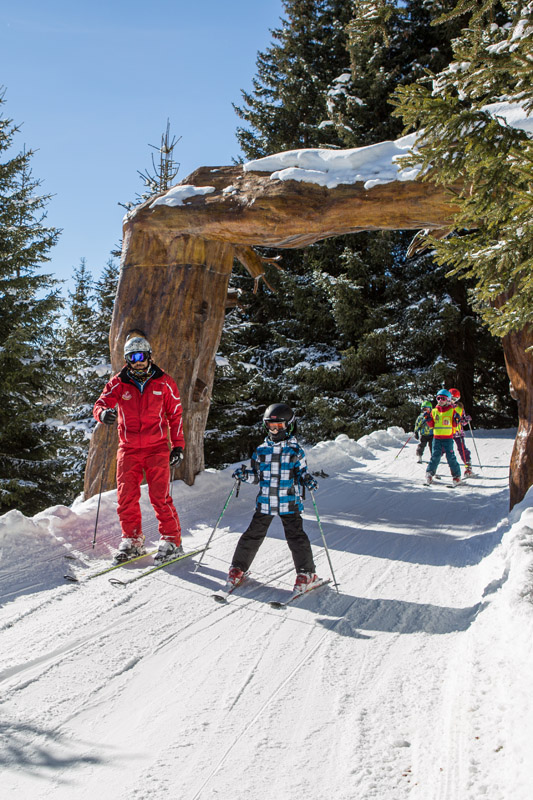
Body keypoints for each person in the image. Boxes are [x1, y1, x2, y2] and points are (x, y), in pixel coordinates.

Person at [93, 333, 185, 564]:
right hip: (129, 449)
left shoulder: (164, 382)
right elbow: (100, 404)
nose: (138, 361)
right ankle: (132, 540)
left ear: (149, 356)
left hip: (157, 448)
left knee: (160, 496)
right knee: (126, 496)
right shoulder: (118, 382)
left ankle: (172, 539)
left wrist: (178, 446)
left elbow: (175, 415)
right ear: (127, 360)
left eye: (142, 356)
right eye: (132, 357)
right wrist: (103, 414)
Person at [227, 403, 321, 594]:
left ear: (290, 426)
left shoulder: (295, 451)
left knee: (296, 538)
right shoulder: (261, 450)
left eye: (280, 426)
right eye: (271, 426)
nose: (275, 429)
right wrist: (245, 476)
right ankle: (238, 568)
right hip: (266, 502)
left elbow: (301, 472)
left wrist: (307, 479)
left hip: (289, 502)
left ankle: (306, 573)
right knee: (252, 536)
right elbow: (257, 477)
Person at [423, 389, 463, 486]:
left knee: (450, 457)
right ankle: (429, 473)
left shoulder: (451, 411)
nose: (440, 400)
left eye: (443, 398)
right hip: (437, 438)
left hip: (448, 438)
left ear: (448, 400)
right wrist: (428, 419)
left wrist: (457, 419)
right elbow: (432, 424)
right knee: (435, 456)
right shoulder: (435, 411)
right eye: (439, 398)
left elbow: (454, 424)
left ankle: (456, 476)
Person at [449, 388, 474, 478]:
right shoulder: (445, 407)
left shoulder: (459, 407)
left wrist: (466, 420)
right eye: (451, 398)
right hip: (447, 433)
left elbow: (462, 421)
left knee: (462, 449)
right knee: (443, 449)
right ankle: (433, 469)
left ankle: (468, 467)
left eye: (455, 399)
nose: (452, 401)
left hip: (458, 432)